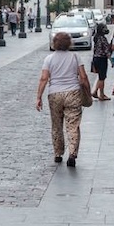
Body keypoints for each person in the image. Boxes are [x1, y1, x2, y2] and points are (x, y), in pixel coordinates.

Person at [35, 32, 90, 167]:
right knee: (73, 125)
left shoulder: (49, 59)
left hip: (55, 94)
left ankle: (58, 153)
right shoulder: (75, 57)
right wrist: (88, 91)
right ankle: (72, 153)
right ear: (69, 43)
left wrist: (39, 97)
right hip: (73, 93)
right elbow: (83, 77)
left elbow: (44, 78)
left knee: (56, 125)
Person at [90, 24, 111, 101]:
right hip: (102, 59)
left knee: (100, 77)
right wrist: (111, 61)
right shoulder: (102, 38)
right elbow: (106, 50)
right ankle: (101, 94)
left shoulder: (96, 37)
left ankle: (95, 92)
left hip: (96, 58)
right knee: (102, 77)